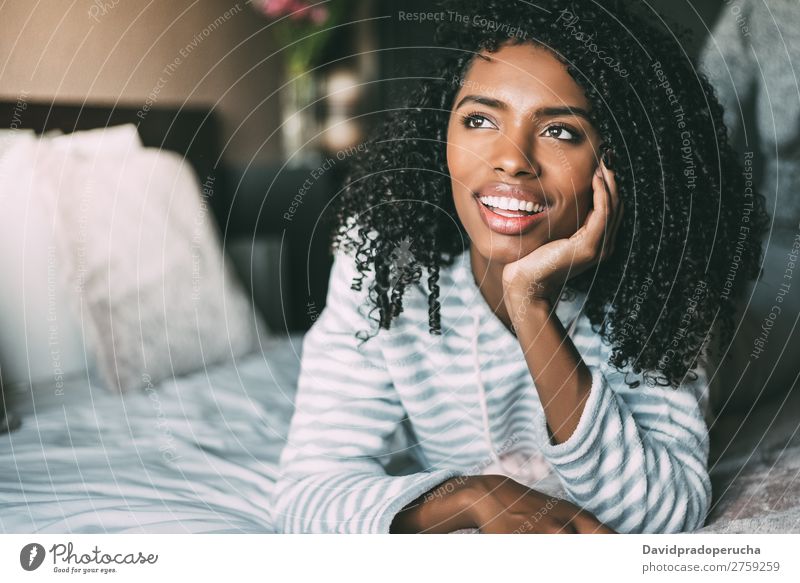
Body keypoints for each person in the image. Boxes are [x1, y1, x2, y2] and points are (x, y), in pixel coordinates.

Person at [271, 0, 768, 534]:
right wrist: (476, 497)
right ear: (444, 131)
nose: (512, 159)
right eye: (480, 119)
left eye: (561, 131)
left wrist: (530, 304)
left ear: (620, 159)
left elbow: (663, 513)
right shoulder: (387, 261)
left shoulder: (663, 281)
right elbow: (305, 497)